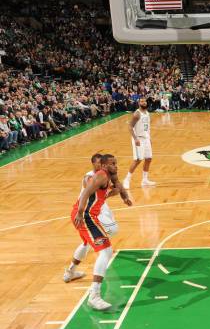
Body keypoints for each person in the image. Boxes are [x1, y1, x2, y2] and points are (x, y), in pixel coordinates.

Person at [71, 154, 132, 310]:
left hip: (91, 216)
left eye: (116, 163)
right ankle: (94, 296)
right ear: (104, 166)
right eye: (112, 164)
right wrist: (80, 213)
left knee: (89, 244)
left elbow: (118, 185)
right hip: (85, 216)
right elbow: (85, 193)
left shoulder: (110, 175)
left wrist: (124, 196)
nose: (116, 166)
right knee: (106, 250)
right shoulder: (100, 176)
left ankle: (70, 272)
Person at [63, 154, 121, 283]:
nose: (100, 165)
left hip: (91, 211)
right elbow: (86, 189)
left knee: (86, 243)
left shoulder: (107, 175)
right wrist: (80, 213)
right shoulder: (92, 176)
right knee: (109, 238)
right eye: (98, 163)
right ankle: (94, 293)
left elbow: (114, 187)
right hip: (85, 213)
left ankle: (71, 271)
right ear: (95, 164)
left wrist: (118, 193)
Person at [123, 97, 156, 189]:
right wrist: (135, 139)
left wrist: (149, 137)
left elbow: (147, 127)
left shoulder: (147, 113)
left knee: (149, 158)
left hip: (146, 138)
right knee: (138, 160)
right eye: (142, 101)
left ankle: (144, 180)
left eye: (145, 101)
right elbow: (130, 126)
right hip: (138, 139)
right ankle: (127, 179)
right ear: (139, 103)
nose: (144, 102)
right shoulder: (137, 114)